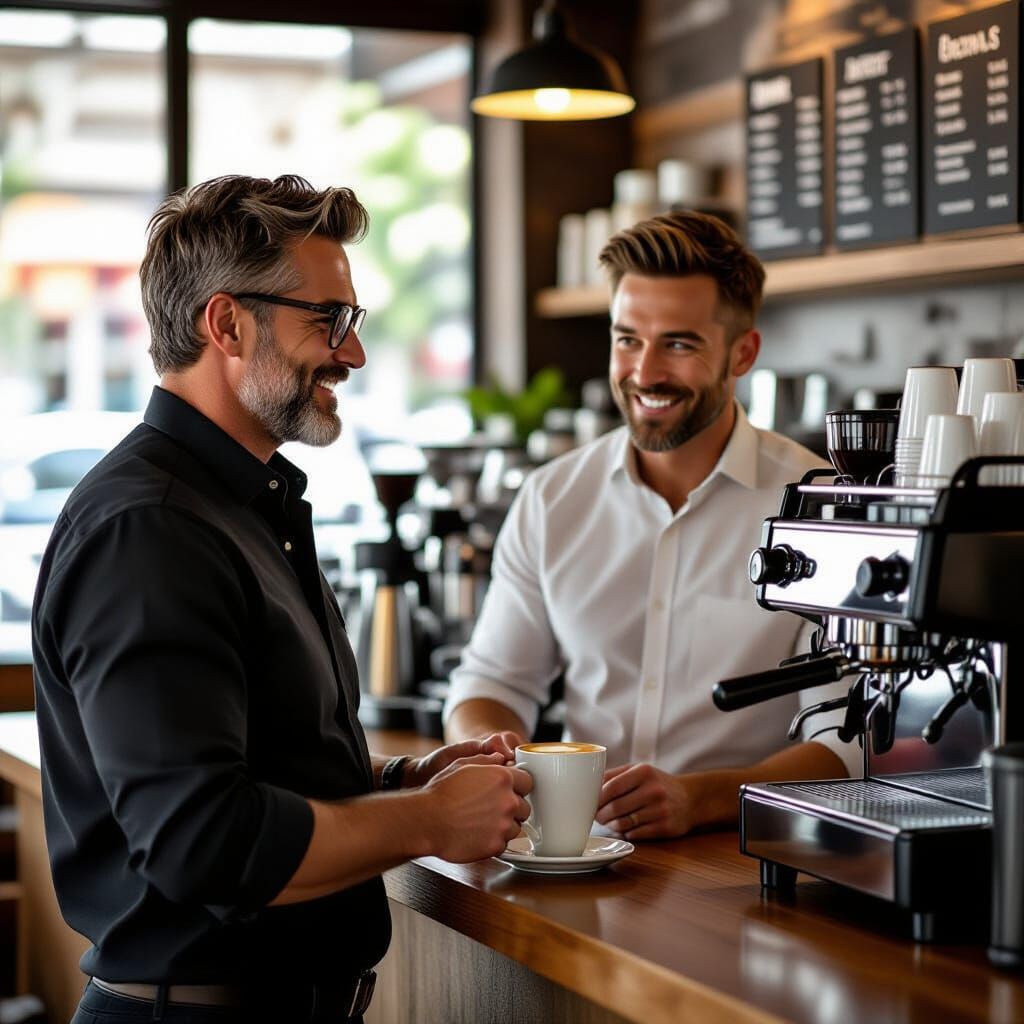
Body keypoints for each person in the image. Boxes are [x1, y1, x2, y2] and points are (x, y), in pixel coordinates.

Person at [31, 174, 530, 1024]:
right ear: (225, 323)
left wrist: (405, 778)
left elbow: (257, 757)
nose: (354, 352)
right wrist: (425, 821)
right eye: (326, 320)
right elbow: (204, 841)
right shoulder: (149, 529)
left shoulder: (237, 505)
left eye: (353, 321)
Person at [444, 210, 858, 841]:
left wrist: (702, 797)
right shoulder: (554, 499)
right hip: (574, 856)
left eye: (680, 343)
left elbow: (846, 743)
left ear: (742, 352)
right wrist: (491, 747)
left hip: (743, 862)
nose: (644, 372)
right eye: (627, 339)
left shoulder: (820, 508)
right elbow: (492, 681)